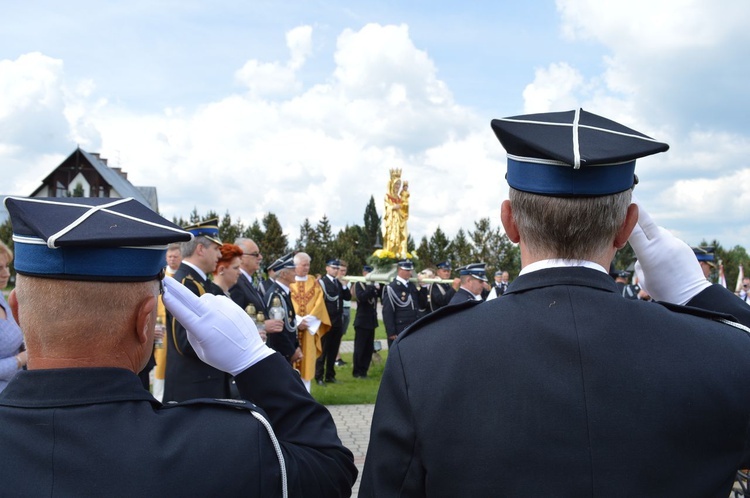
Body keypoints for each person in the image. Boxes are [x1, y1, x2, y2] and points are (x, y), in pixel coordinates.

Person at [360, 109, 750, 497]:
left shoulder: (424, 356)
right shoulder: (723, 354)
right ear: (626, 227)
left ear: (509, 221)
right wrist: (700, 297)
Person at [0, 196, 357, 496]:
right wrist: (255, 361)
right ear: (145, 323)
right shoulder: (226, 445)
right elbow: (331, 471)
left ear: (15, 310)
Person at [164, 218, 229, 402]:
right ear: (200, 249)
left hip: (204, 383)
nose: (219, 255)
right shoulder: (185, 284)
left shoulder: (200, 283)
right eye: (216, 249)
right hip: (193, 388)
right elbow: (184, 342)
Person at [289, 252, 331, 392]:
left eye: (308, 264)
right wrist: (296, 322)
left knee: (307, 364)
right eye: (304, 265)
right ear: (295, 266)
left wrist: (307, 321)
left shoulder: (314, 282)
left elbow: (319, 304)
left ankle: (307, 393)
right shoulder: (289, 282)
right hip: (291, 330)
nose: (307, 267)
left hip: (309, 329)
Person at [316, 259, 351, 385]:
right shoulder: (322, 283)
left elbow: (347, 297)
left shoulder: (338, 282)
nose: (336, 270)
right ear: (327, 268)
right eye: (333, 268)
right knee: (323, 351)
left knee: (333, 350)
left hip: (337, 321)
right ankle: (319, 376)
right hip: (326, 321)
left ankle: (330, 375)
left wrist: (344, 285)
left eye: (337, 268)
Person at [264, 254, 305, 364]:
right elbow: (277, 330)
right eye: (292, 270)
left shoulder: (284, 293)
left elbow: (291, 325)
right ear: (283, 274)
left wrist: (296, 347)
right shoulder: (276, 296)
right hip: (280, 353)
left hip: (286, 351)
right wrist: (291, 352)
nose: (296, 273)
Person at [381, 259, 427, 348]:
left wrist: (423, 287)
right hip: (400, 328)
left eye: (410, 270)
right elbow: (387, 311)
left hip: (413, 326)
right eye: (407, 270)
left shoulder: (411, 285)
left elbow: (422, 304)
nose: (409, 272)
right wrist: (391, 332)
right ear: (399, 270)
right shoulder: (392, 287)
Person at [0, 240, 26, 393]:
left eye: (6, 266)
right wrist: (22, 358)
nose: (7, 274)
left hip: (15, 389)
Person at [352, 265, 379, 378]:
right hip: (362, 321)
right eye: (368, 273)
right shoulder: (360, 284)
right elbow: (362, 298)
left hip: (371, 321)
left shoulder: (374, 285)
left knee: (368, 348)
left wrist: (376, 288)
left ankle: (364, 370)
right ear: (363, 273)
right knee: (360, 348)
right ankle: (357, 371)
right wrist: (371, 288)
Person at [334, 259, 352, 367]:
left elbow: (350, 296)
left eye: (344, 271)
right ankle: (336, 357)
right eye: (341, 270)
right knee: (336, 334)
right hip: (338, 310)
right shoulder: (335, 282)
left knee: (341, 334)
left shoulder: (346, 280)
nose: (342, 273)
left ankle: (337, 356)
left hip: (347, 308)